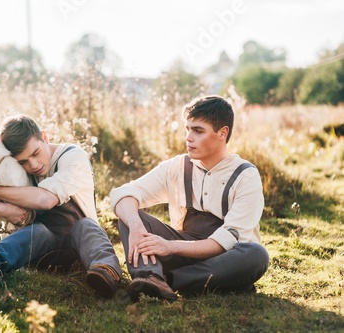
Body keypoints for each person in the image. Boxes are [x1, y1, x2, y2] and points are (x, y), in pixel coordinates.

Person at [110, 95, 269, 302]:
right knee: (130, 216)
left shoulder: (245, 175)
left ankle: (168, 281)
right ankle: (150, 277)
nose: (188, 138)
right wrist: (136, 226)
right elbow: (123, 193)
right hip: (183, 250)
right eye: (187, 129)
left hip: (224, 257)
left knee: (256, 255)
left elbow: (227, 240)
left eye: (198, 131)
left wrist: (169, 246)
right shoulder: (177, 166)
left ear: (222, 133)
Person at [0, 114, 122, 298]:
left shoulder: (73, 156)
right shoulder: (12, 165)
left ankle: (106, 270)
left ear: (45, 137)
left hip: (80, 247)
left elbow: (45, 200)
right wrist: (0, 209)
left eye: (35, 153)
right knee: (36, 231)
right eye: (23, 162)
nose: (33, 165)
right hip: (42, 249)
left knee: (87, 226)